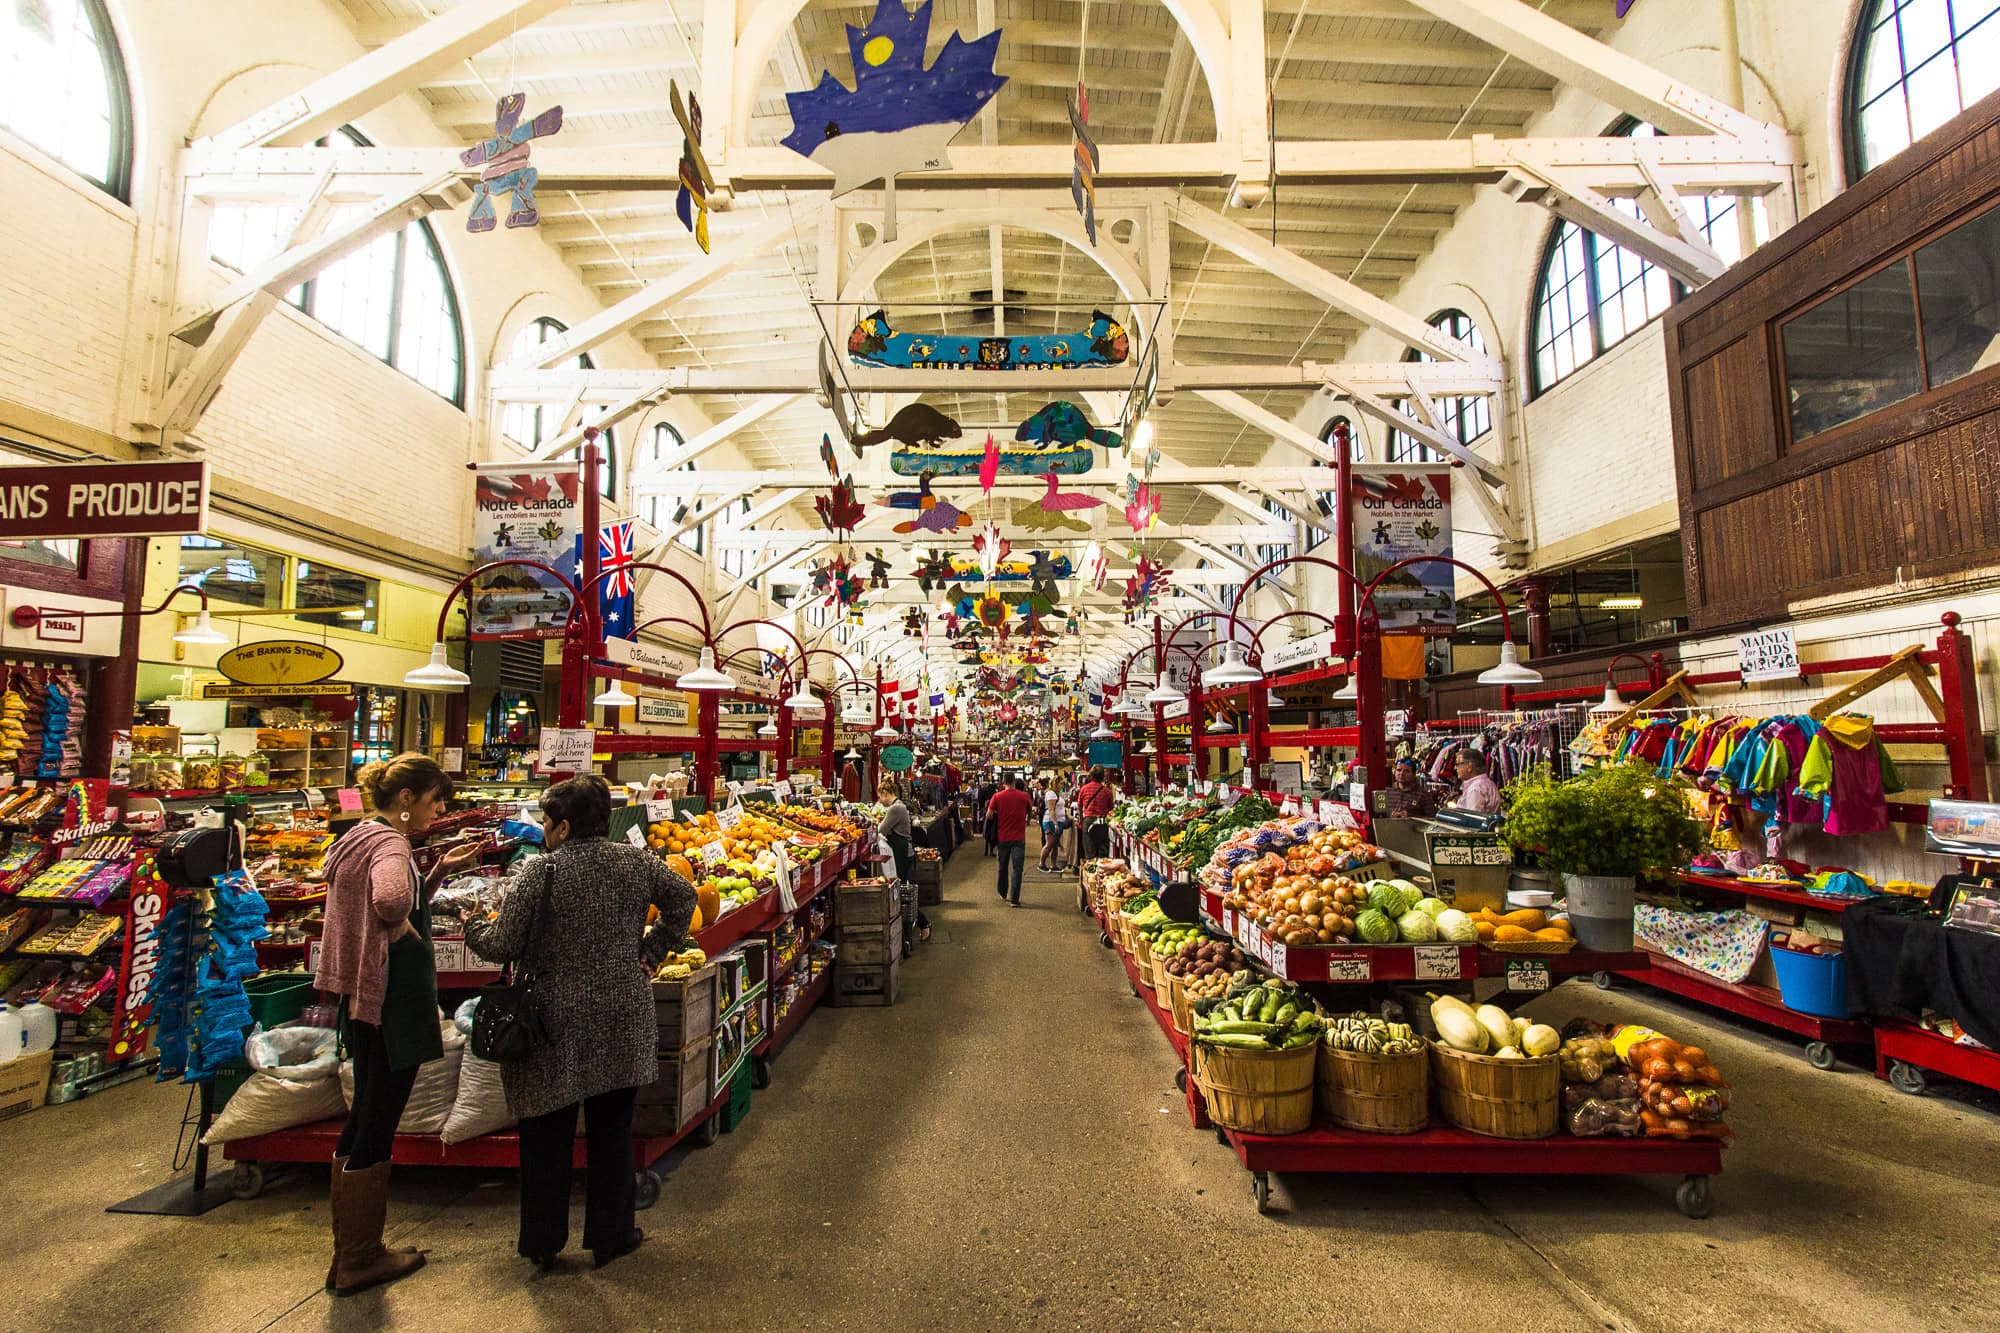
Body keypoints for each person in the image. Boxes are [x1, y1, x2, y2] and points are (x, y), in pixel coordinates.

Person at [465, 776, 696, 1272]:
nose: (544, 830)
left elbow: (500, 945)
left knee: (546, 1132)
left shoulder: (540, 872)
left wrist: (472, 923)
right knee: (612, 1131)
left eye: (546, 822)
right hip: (622, 1011)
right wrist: (652, 951)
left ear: (564, 827)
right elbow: (684, 897)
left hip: (554, 1018)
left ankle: (543, 1241)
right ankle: (612, 1237)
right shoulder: (635, 862)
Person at [315, 753, 482, 1297]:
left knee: (365, 1111)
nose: (439, 811)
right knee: (379, 1117)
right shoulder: (390, 844)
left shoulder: (358, 836)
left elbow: (389, 897)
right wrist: (399, 924)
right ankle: (361, 1257)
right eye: (434, 801)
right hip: (389, 999)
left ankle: (348, 1252)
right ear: (406, 798)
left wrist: (438, 872)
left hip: (363, 998)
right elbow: (389, 900)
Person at [877, 782, 930, 940]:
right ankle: (905, 929)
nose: (880, 800)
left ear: (886, 793)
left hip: (902, 856)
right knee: (900, 891)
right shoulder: (898, 807)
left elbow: (881, 829)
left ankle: (923, 924)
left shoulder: (895, 809)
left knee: (900, 892)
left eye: (880, 796)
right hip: (901, 854)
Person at [986, 775, 1033, 906]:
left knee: (1003, 866)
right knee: (1017, 869)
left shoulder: (997, 797)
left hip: (1003, 837)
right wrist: (1026, 820)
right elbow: (1030, 812)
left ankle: (1002, 890)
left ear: (1003, 782)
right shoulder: (1024, 796)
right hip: (1019, 837)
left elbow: (989, 816)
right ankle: (1014, 899)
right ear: (1014, 781)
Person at [1075, 766, 1115, 861]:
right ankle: (1102, 868)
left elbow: (1079, 806)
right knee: (1103, 852)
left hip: (1088, 820)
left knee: (1089, 852)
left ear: (1091, 776)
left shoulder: (1084, 789)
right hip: (1102, 822)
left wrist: (1081, 820)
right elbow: (1111, 808)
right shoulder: (1107, 791)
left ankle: (1090, 868)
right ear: (1102, 777)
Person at [1451, 749, 1503, 814]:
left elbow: (1473, 818)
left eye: (1457, 764)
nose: (1455, 768)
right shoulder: (1489, 783)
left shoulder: (1475, 789)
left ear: (1469, 766)